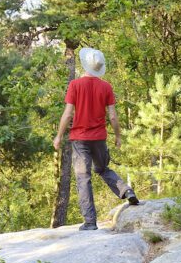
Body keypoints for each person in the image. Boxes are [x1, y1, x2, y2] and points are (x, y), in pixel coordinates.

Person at [54, 47, 139, 230]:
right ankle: (126, 190)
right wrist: (117, 136)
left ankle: (90, 222)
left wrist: (59, 136)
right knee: (102, 168)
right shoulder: (106, 87)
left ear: (85, 64)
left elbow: (68, 114)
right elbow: (113, 116)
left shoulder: (75, 85)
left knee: (83, 178)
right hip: (99, 138)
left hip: (79, 139)